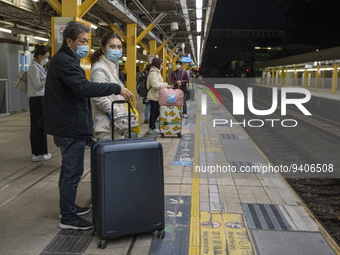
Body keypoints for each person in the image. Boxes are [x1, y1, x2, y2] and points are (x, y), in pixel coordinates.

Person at [43, 21, 134, 230]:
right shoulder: (64, 61)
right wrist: (115, 89)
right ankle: (68, 217)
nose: (86, 45)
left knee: (70, 170)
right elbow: (82, 87)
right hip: (68, 126)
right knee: (72, 171)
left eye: (87, 41)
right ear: (69, 41)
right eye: (82, 41)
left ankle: (68, 207)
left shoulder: (67, 59)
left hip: (71, 125)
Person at [89, 32, 126, 141]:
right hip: (107, 126)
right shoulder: (100, 68)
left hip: (116, 124)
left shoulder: (112, 67)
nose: (116, 50)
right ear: (104, 50)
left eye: (119, 47)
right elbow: (98, 96)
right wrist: (117, 113)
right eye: (112, 46)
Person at [27, 45, 51, 162]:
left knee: (42, 126)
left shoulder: (39, 67)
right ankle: (36, 153)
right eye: (46, 57)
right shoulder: (33, 68)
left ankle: (43, 151)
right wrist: (48, 79)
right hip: (36, 99)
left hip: (42, 98)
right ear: (40, 57)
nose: (47, 59)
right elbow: (37, 85)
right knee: (36, 126)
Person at [146, 58, 173, 134]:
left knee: (156, 112)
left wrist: (165, 85)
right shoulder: (153, 73)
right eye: (161, 64)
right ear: (158, 64)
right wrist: (166, 85)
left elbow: (158, 83)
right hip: (153, 95)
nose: (162, 66)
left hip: (156, 95)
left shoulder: (156, 72)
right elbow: (155, 84)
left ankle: (152, 127)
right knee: (154, 112)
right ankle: (151, 127)